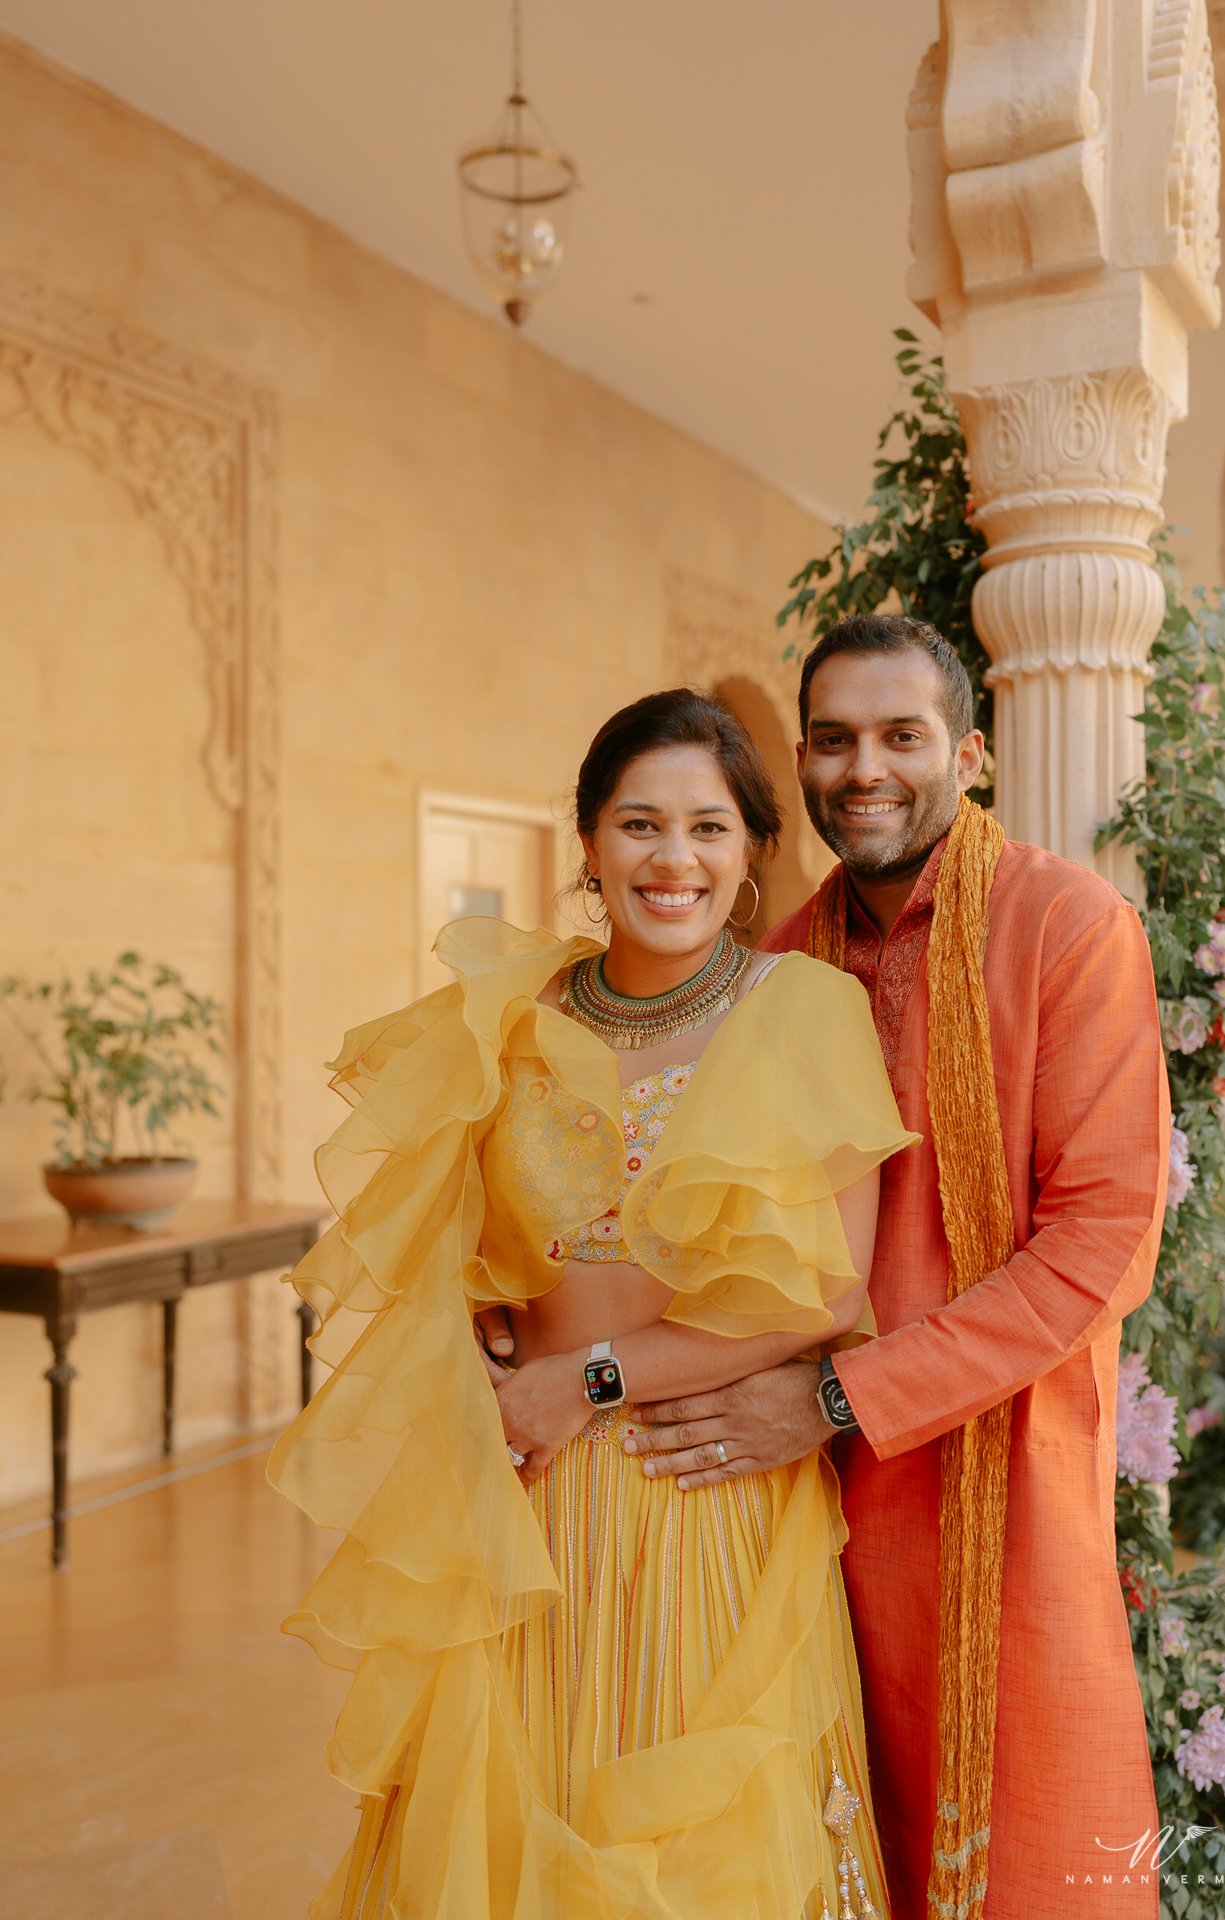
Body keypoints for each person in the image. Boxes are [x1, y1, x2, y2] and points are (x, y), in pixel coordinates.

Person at [269, 688, 919, 1920]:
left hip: (703, 1478)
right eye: (638, 825)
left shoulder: (801, 1012)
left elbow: (825, 1292)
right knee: (511, 1821)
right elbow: (455, 1249)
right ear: (585, 844)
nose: (672, 860)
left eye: (708, 829)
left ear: (746, 856)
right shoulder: (506, 1016)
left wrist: (589, 1378)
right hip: (526, 1495)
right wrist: (482, 1330)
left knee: (690, 1846)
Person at [622, 616, 1171, 1920]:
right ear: (800, 763)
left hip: (1004, 1493)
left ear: (968, 753)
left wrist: (834, 1397)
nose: (863, 768)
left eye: (900, 736)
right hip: (801, 1511)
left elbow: (1101, 1244)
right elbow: (682, 1212)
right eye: (832, 740)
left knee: (1033, 1860)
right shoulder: (774, 967)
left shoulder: (1068, 928)